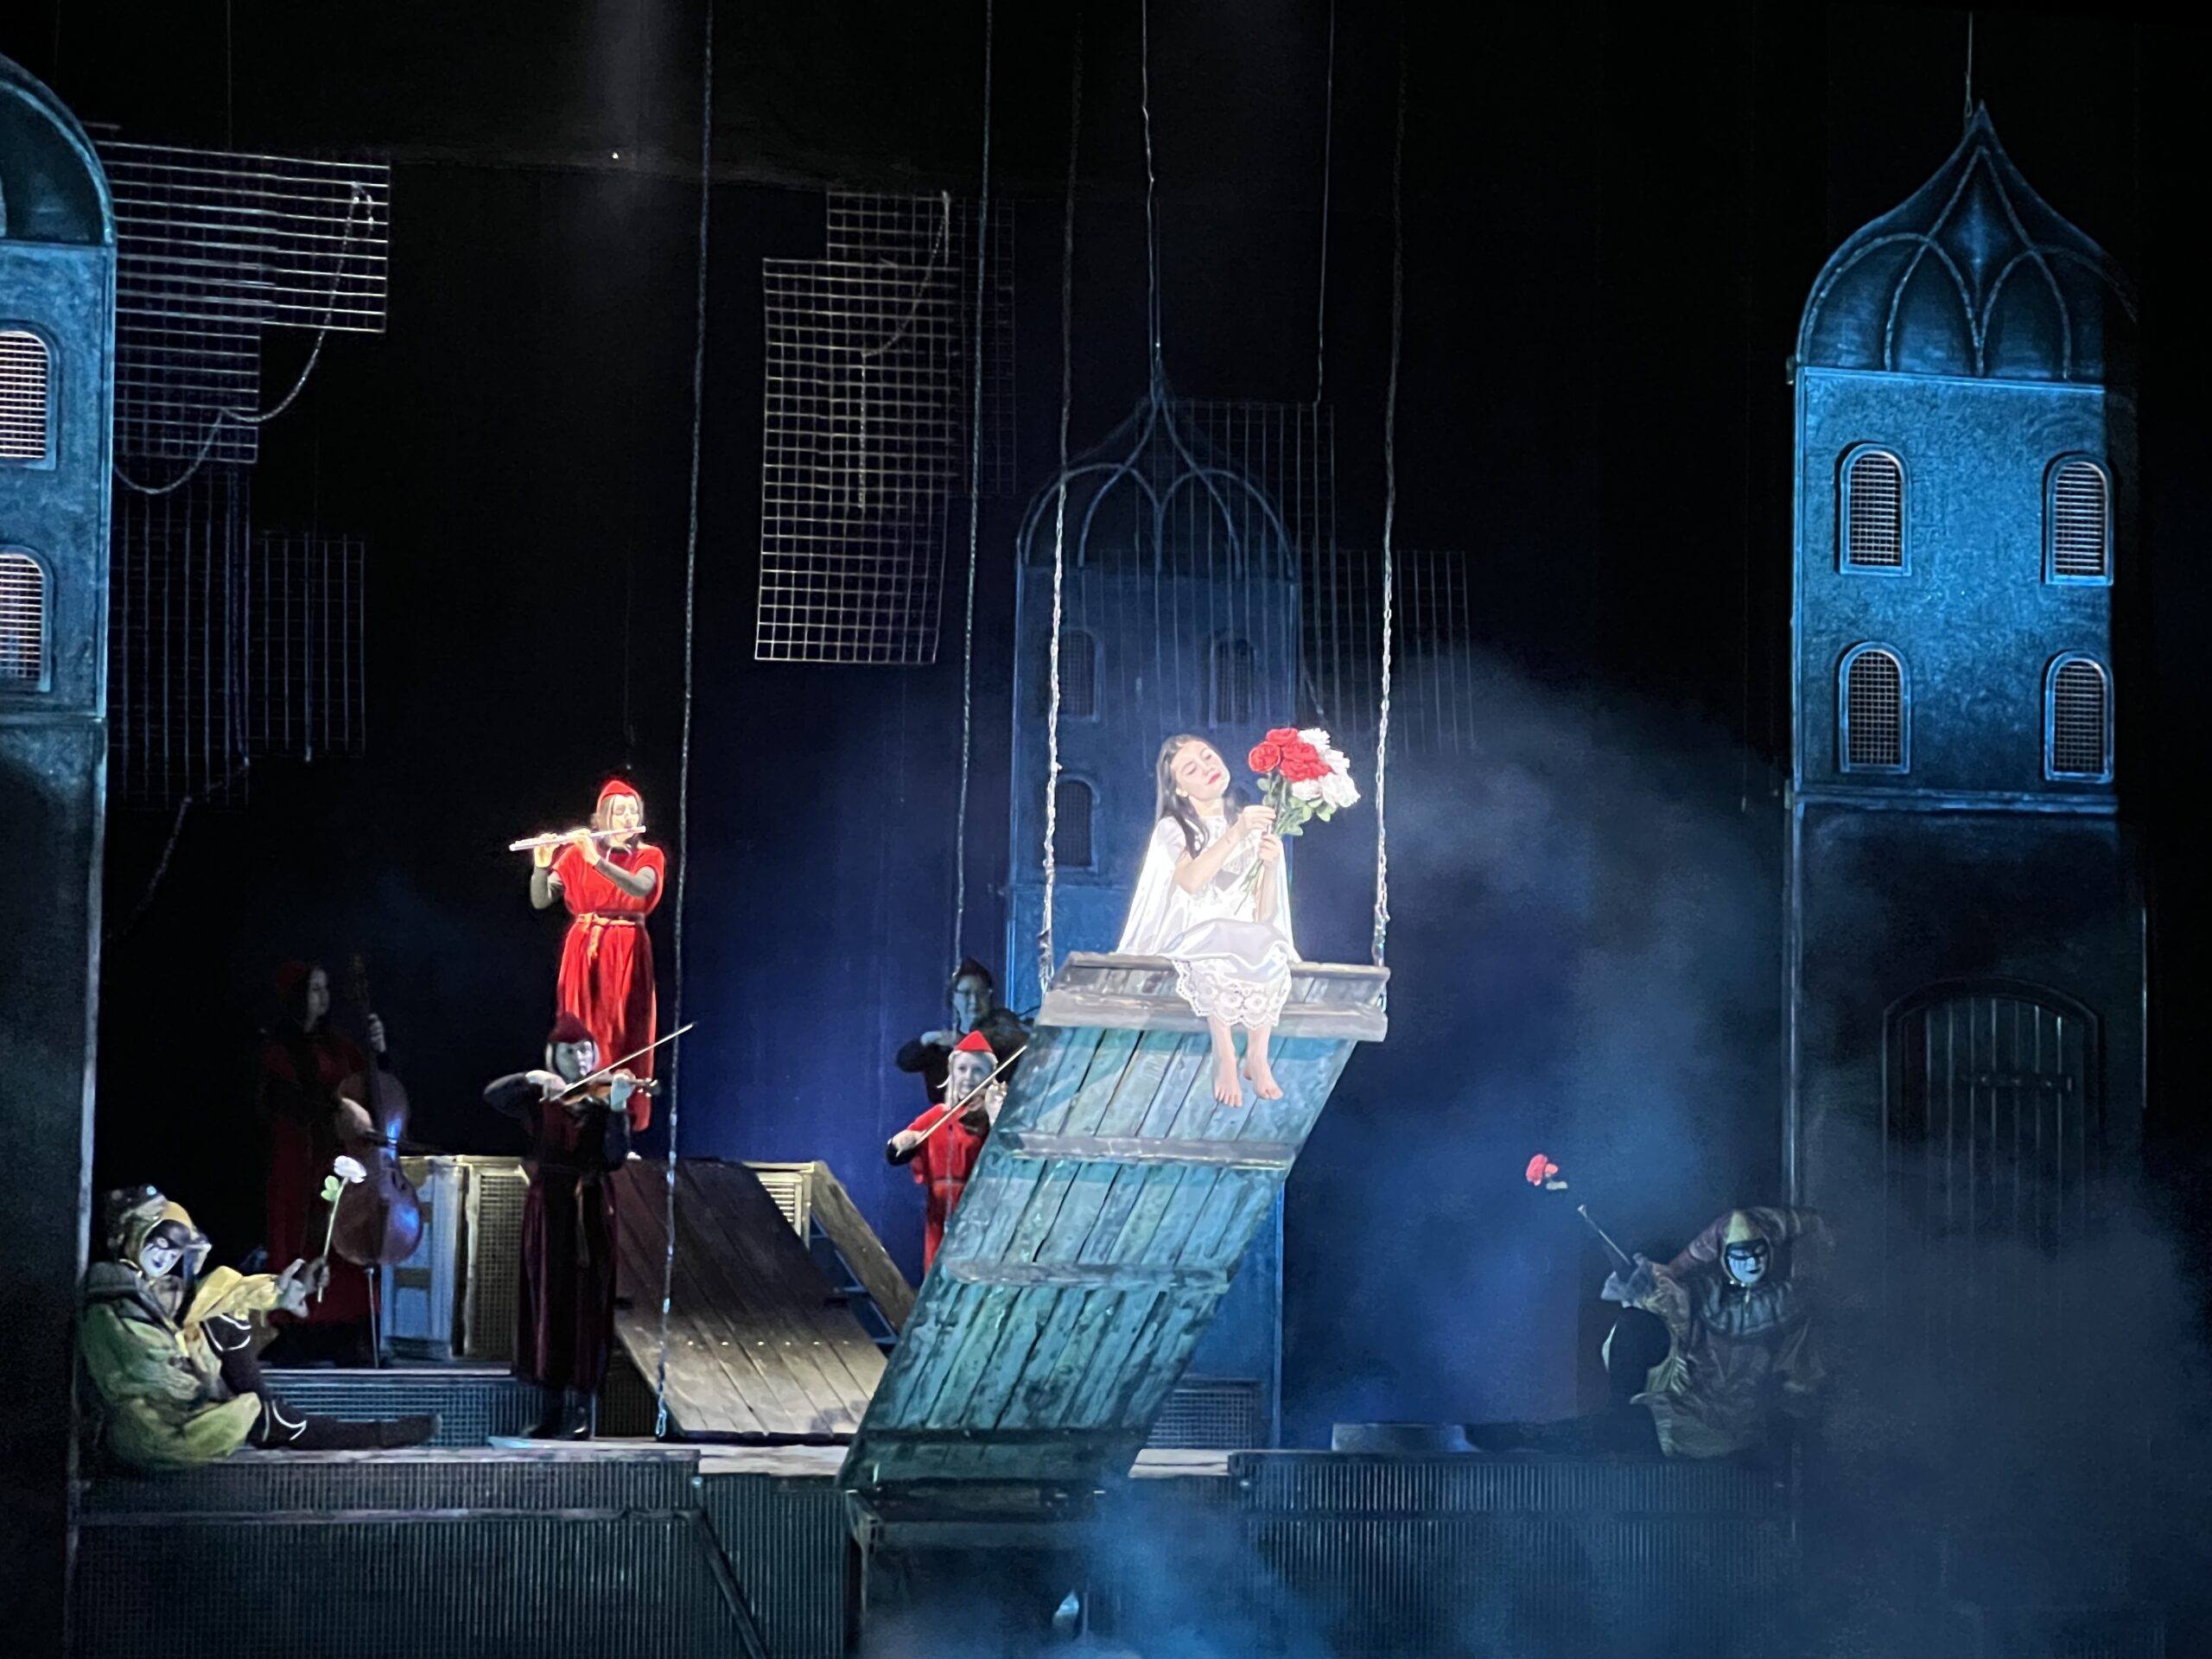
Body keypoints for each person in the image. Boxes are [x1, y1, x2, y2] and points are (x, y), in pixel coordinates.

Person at [79, 1185, 435, 1471]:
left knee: (220, 1308)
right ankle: (335, 1429)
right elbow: (154, 1376)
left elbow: (223, 1294)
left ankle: (280, 1420)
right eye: (158, 1245)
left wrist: (288, 1290)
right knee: (271, 1414)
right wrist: (215, 1392)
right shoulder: (114, 1298)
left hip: (184, 1406)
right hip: (158, 1426)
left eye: (174, 1252)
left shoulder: (153, 1289)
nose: (164, 1258)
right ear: (135, 1237)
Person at [1466, 1205, 1830, 1461]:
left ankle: (1553, 1434)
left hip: (1730, 1422)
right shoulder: (1705, 1294)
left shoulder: (1792, 1305)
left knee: (1625, 1430)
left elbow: (1798, 1379)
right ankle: (1579, 1424)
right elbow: (1663, 1300)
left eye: (1757, 1253)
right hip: (1685, 1397)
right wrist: (1644, 1281)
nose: (1750, 1262)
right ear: (1725, 1257)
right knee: (1637, 1324)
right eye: (1740, 1254)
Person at [485, 1013, 649, 1440]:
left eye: (584, 1051)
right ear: (554, 1056)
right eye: (569, 1052)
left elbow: (613, 1159)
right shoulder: (540, 1099)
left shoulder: (604, 1099)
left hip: (589, 1210)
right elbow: (493, 1096)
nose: (579, 1059)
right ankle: (552, 1409)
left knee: (586, 1306)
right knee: (548, 1306)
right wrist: (533, 1077)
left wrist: (617, 1110)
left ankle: (582, 1410)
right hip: (548, 1211)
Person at [1115, 734, 1293, 1106]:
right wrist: (1237, 833)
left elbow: (1264, 913)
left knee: (1270, 944)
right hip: (1190, 938)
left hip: (1241, 941)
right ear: (1180, 788)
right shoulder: (1175, 828)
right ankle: (1225, 1054)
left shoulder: (1250, 825)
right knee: (1218, 937)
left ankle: (1257, 1055)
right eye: (1191, 769)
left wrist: (1270, 865)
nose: (1207, 768)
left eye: (1208, 757)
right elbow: (1192, 881)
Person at [255, 960, 382, 1364]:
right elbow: (289, 1099)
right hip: (295, 1161)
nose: (324, 998)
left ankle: (348, 1332)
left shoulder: (341, 1047)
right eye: (314, 990)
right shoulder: (276, 1048)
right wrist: (338, 1106)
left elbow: (372, 1090)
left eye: (326, 989)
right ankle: (294, 1329)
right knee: (296, 1239)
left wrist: (379, 1053)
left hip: (337, 1159)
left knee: (344, 1242)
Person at [530, 777, 665, 1124]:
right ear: (603, 817)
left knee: (621, 1030)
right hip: (583, 950)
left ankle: (620, 1119)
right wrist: (542, 865)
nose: (628, 818)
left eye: (633, 811)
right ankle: (574, 1116)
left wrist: (596, 861)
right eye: (620, 812)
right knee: (579, 1030)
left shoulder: (649, 855)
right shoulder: (577, 854)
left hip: (626, 949)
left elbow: (639, 889)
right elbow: (541, 899)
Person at [887, 1029, 1006, 1271]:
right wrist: (900, 1142)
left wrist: (997, 1118)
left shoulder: (997, 1116)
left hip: (983, 1212)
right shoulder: (939, 1115)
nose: (968, 1077)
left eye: (977, 1070)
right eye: (962, 1069)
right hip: (940, 1218)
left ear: (990, 1075)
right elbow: (895, 1155)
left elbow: (1006, 1159)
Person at [895, 957, 1031, 1109]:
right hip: (951, 1121)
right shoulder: (942, 1048)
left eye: (981, 993)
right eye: (966, 994)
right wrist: (929, 1038)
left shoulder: (1005, 1037)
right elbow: (905, 1061)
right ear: (953, 998)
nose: (974, 1001)